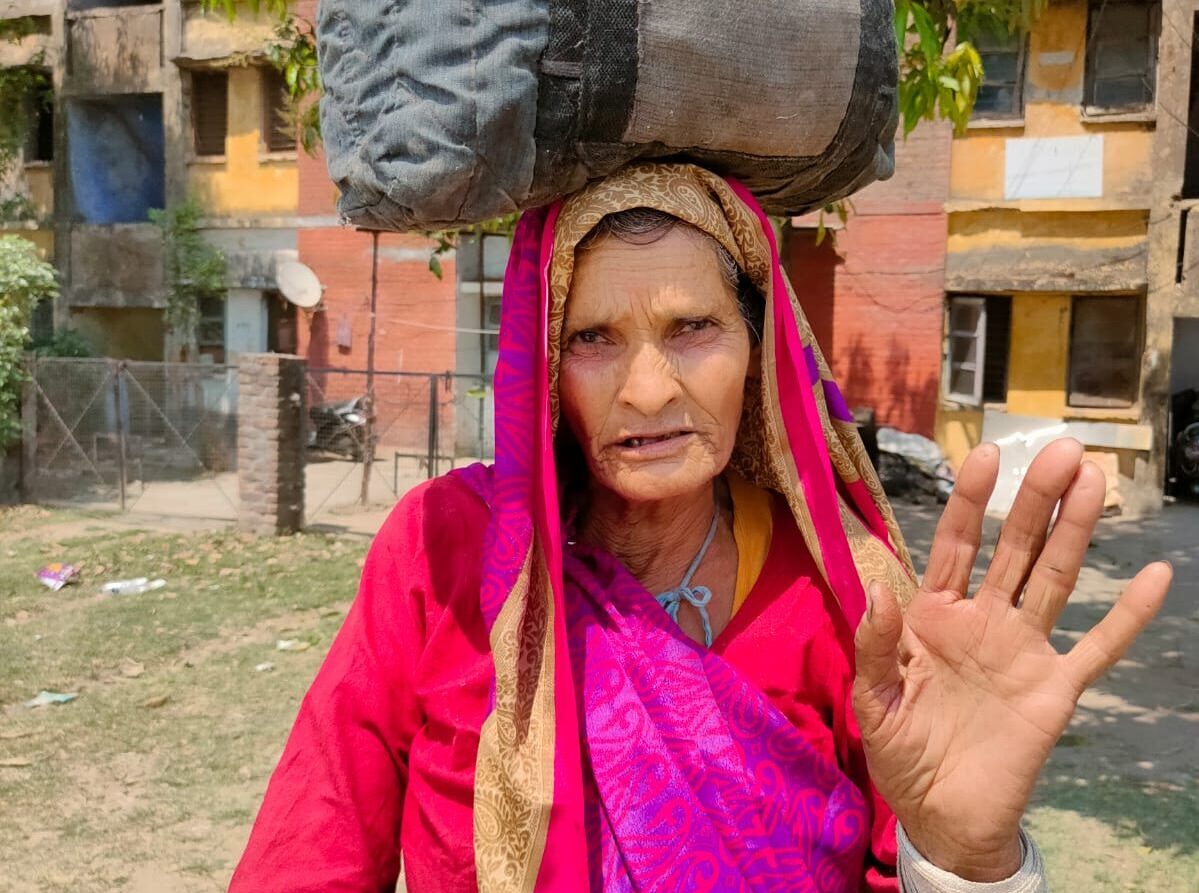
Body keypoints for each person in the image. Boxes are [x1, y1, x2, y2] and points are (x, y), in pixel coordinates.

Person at [229, 163, 1171, 892]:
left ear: (758, 350)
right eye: (590, 338)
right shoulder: (442, 551)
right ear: (540, 366)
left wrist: (966, 855)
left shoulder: (853, 598)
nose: (647, 389)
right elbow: (312, 851)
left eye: (692, 328)